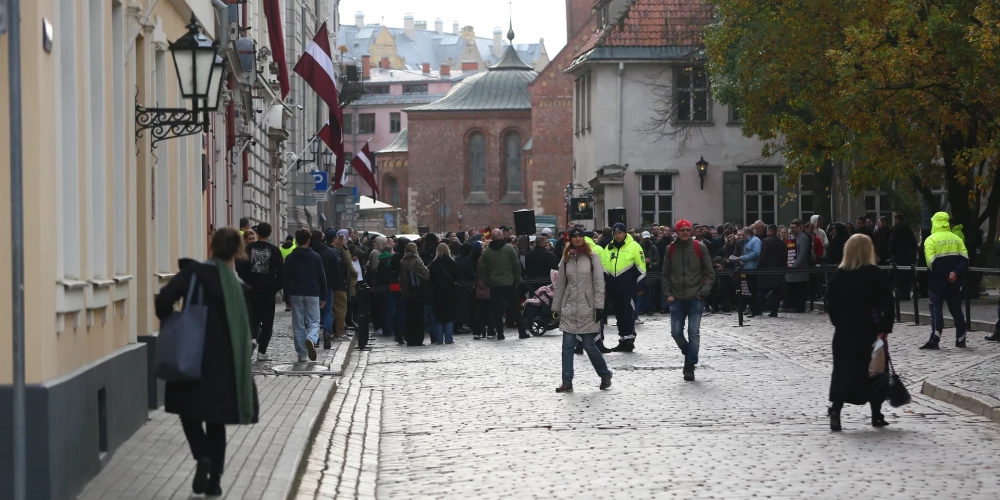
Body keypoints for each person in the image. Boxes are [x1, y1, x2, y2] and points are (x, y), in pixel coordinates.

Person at [155, 227, 259, 496]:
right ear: (237, 252)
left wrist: (173, 320)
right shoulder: (240, 288)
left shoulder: (194, 274)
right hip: (226, 366)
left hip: (191, 357)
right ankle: (214, 481)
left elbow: (164, 300)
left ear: (211, 247)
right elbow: (249, 326)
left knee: (187, 412)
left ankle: (201, 455)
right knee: (216, 423)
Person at [826, 233, 894, 431]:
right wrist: (884, 328)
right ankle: (876, 414)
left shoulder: (839, 274)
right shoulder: (874, 273)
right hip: (869, 329)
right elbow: (888, 304)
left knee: (842, 371)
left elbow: (831, 303)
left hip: (845, 330)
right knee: (874, 371)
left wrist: (838, 322)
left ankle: (836, 411)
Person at [552, 228, 613, 392]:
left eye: (580, 236)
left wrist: (599, 306)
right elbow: (560, 285)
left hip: (588, 306)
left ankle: (605, 373)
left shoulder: (593, 257)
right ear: (570, 239)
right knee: (567, 345)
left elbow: (600, 284)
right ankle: (567, 381)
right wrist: (556, 307)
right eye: (575, 237)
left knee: (589, 345)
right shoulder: (566, 259)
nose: (578, 239)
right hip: (570, 307)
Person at [661, 219, 714, 381]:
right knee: (676, 332)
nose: (685, 232)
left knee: (694, 333)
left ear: (691, 232)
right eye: (682, 230)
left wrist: (702, 292)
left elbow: (710, 273)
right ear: (677, 232)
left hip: (695, 297)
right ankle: (689, 353)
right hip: (677, 298)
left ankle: (689, 365)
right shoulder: (670, 249)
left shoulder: (700, 248)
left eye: (687, 230)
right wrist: (668, 293)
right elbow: (665, 274)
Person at [920, 212, 970, 349]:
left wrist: (946, 274)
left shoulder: (930, 240)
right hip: (954, 282)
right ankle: (961, 339)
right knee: (957, 311)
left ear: (935, 222)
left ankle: (935, 339)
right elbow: (965, 259)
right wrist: (955, 273)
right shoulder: (956, 239)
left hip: (937, 282)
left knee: (936, 310)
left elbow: (931, 262)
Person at [239, 222, 283, 362]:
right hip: (267, 291)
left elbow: (240, 269)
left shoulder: (248, 248)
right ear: (270, 233)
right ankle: (262, 351)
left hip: (250, 290)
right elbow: (282, 273)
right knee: (267, 322)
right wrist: (274, 287)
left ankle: (252, 338)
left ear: (256, 234)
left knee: (252, 318)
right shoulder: (275, 250)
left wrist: (245, 285)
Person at [283, 229, 326, 362]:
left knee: (298, 325)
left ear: (296, 240)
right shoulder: (316, 257)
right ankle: (311, 338)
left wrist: (286, 297)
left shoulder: (290, 258)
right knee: (314, 322)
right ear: (309, 240)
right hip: (312, 293)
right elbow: (322, 278)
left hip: (296, 293)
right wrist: (323, 296)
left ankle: (302, 354)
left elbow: (286, 279)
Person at [478, 228, 529, 340]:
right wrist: (517, 280)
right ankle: (522, 331)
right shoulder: (509, 248)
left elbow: (482, 269)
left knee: (496, 310)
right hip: (509, 283)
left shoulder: (487, 252)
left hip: (494, 284)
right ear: (501, 236)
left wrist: (487, 281)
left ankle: (500, 333)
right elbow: (516, 265)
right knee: (515, 308)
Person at [603, 223, 647, 352]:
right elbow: (604, 265)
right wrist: (604, 283)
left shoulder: (634, 246)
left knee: (628, 313)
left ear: (625, 233)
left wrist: (640, 285)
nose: (618, 236)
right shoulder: (609, 247)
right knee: (618, 314)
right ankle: (622, 339)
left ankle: (629, 339)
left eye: (620, 233)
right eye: (615, 233)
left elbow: (641, 266)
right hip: (613, 286)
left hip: (629, 287)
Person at [400, 242, 431, 346]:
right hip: (418, 291)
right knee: (418, 317)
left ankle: (410, 338)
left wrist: (405, 291)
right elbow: (426, 274)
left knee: (409, 317)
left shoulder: (403, 261)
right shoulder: (417, 260)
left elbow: (403, 279)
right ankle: (418, 339)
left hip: (408, 292)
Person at [429, 243, 460, 344]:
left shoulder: (434, 264)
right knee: (449, 316)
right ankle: (449, 339)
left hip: (437, 293)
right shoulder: (453, 263)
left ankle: (439, 339)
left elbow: (431, 280)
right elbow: (457, 277)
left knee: (439, 317)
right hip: (450, 292)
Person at [755, 224, 786, 317]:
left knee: (762, 291)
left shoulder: (766, 241)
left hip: (766, 271)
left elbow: (762, 256)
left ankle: (757, 309)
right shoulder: (782, 243)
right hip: (778, 271)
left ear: (769, 231)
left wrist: (758, 268)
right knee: (776, 292)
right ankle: (774, 311)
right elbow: (785, 258)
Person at [784, 218, 812, 313]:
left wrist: (794, 265)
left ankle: (800, 306)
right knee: (794, 289)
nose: (792, 229)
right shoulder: (795, 237)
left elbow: (802, 253)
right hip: (794, 269)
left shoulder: (803, 237)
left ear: (801, 227)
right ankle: (795, 305)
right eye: (791, 227)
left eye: (794, 227)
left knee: (800, 289)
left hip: (800, 269)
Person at [889, 212, 917, 300]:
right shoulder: (908, 228)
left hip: (899, 256)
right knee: (908, 276)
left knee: (900, 276)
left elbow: (892, 242)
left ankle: (902, 294)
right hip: (909, 256)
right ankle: (907, 293)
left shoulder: (896, 229)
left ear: (897, 219)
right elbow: (913, 242)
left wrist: (891, 251)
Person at [737, 226, 761, 316]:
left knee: (754, 290)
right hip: (747, 268)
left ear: (748, 234)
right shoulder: (748, 241)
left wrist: (743, 258)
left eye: (743, 235)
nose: (742, 237)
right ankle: (753, 309)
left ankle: (755, 310)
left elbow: (756, 253)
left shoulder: (755, 241)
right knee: (751, 290)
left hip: (753, 269)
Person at [639, 231, 660, 315]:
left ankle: (649, 309)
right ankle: (641, 309)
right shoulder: (638, 247)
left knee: (650, 292)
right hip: (641, 271)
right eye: (645, 238)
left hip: (651, 272)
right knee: (641, 291)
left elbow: (658, 260)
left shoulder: (653, 248)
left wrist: (651, 264)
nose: (646, 240)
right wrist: (644, 262)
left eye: (647, 238)